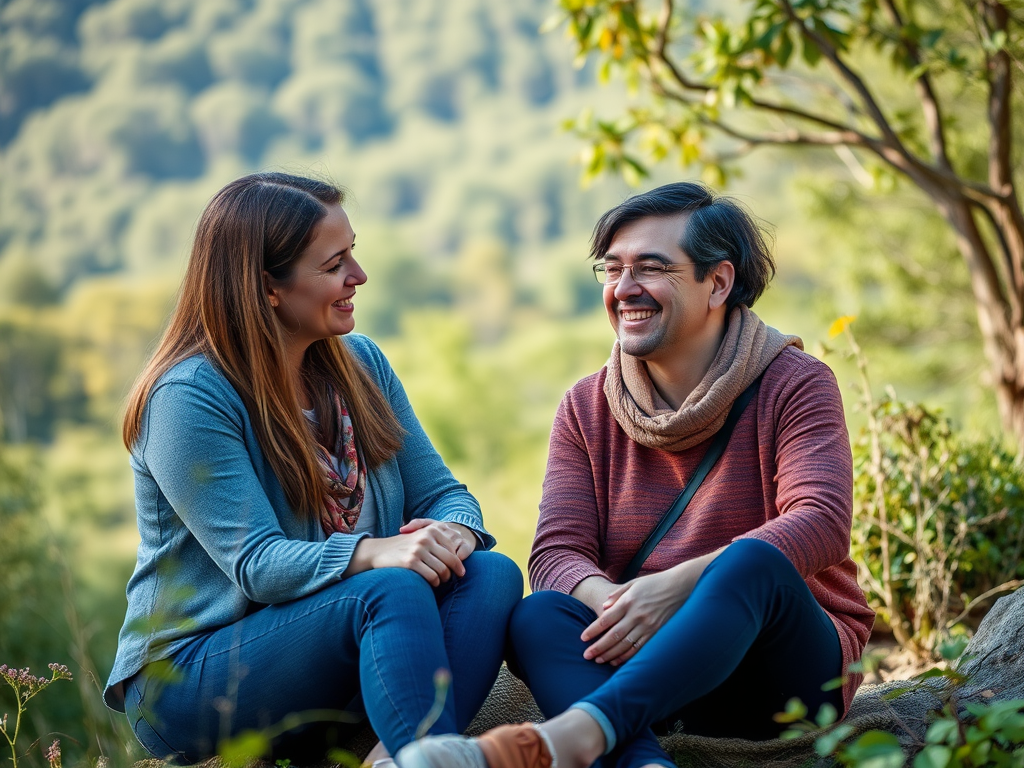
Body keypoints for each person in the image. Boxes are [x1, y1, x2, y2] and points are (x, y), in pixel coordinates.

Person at [395, 182, 875, 768]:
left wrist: (673, 589)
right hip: (650, 667)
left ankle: (573, 738)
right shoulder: (586, 406)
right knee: (539, 614)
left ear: (717, 283)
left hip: (781, 677)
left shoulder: (795, 383)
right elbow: (555, 552)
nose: (624, 290)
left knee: (753, 564)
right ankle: (644, 761)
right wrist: (618, 602)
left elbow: (821, 524)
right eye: (611, 269)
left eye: (651, 268)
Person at [103, 172, 523, 767]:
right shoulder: (188, 397)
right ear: (267, 287)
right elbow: (255, 564)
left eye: (354, 252)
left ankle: (394, 757)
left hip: (334, 655)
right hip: (192, 681)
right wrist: (376, 551)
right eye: (334, 265)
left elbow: (446, 494)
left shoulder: (361, 362)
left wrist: (454, 531)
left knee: (490, 574)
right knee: (391, 586)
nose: (359, 276)